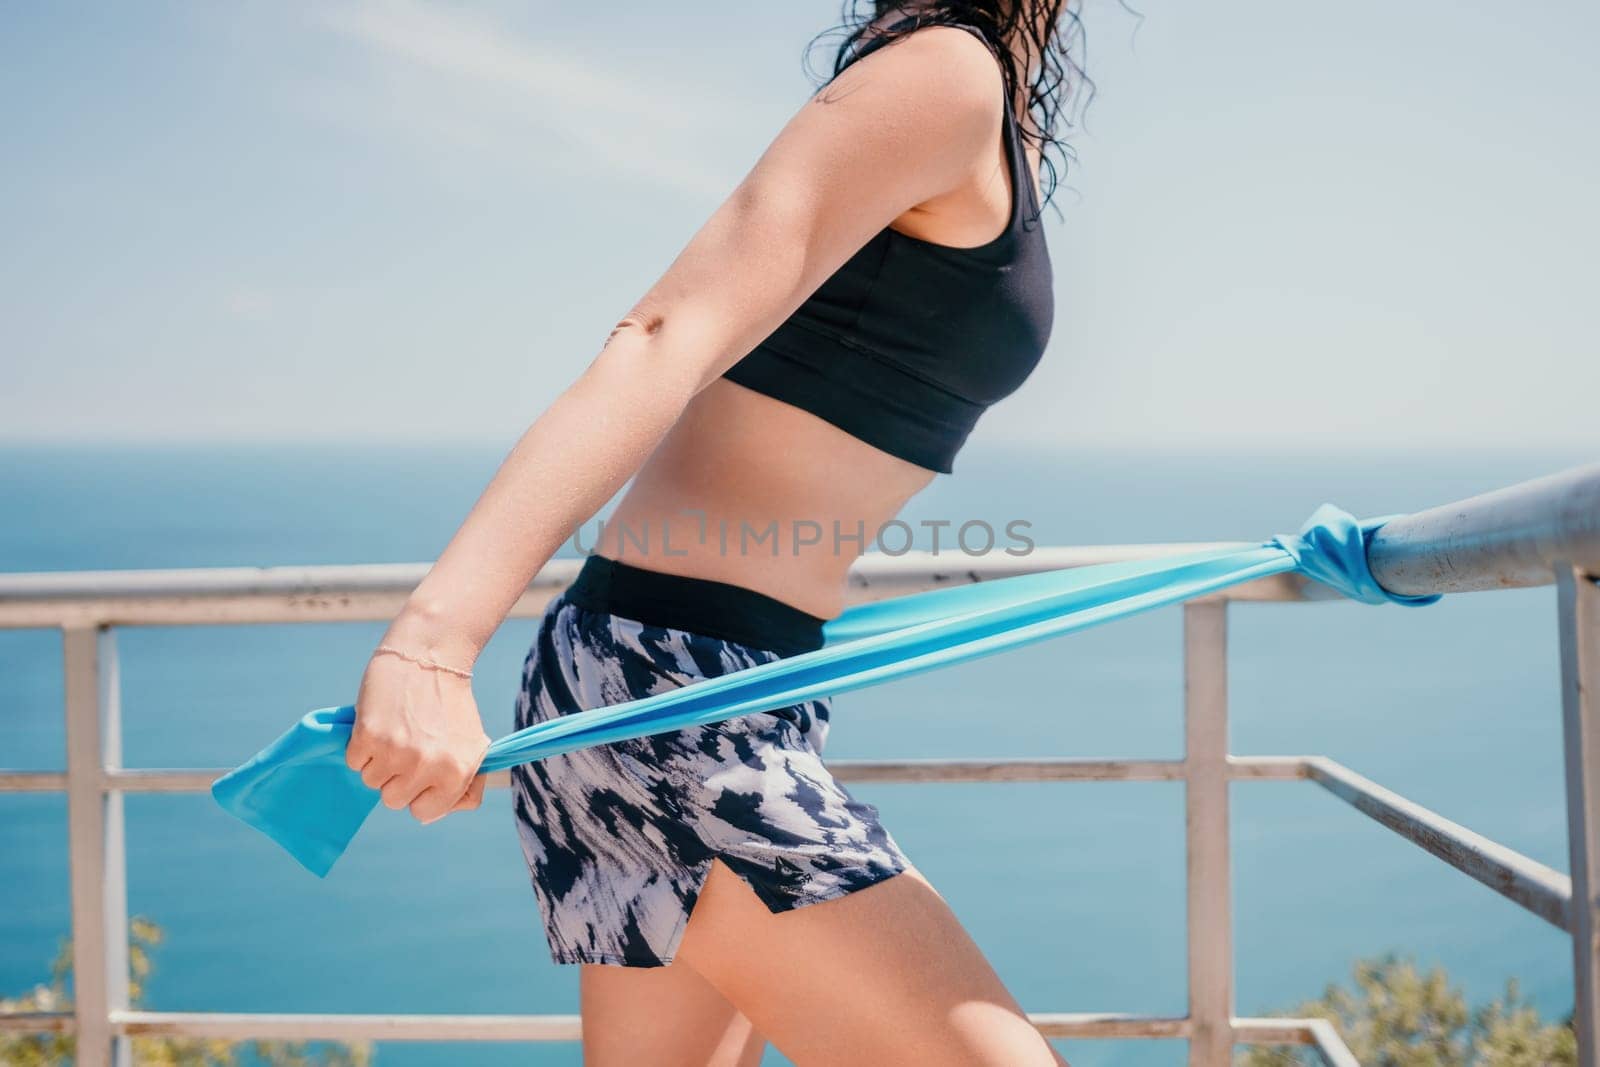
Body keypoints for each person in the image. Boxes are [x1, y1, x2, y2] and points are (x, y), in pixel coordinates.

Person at [346, 2, 1081, 1062]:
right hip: (670, 693)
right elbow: (662, 334)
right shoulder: (943, 74)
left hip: (710, 680)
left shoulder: (971, 95)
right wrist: (430, 640)